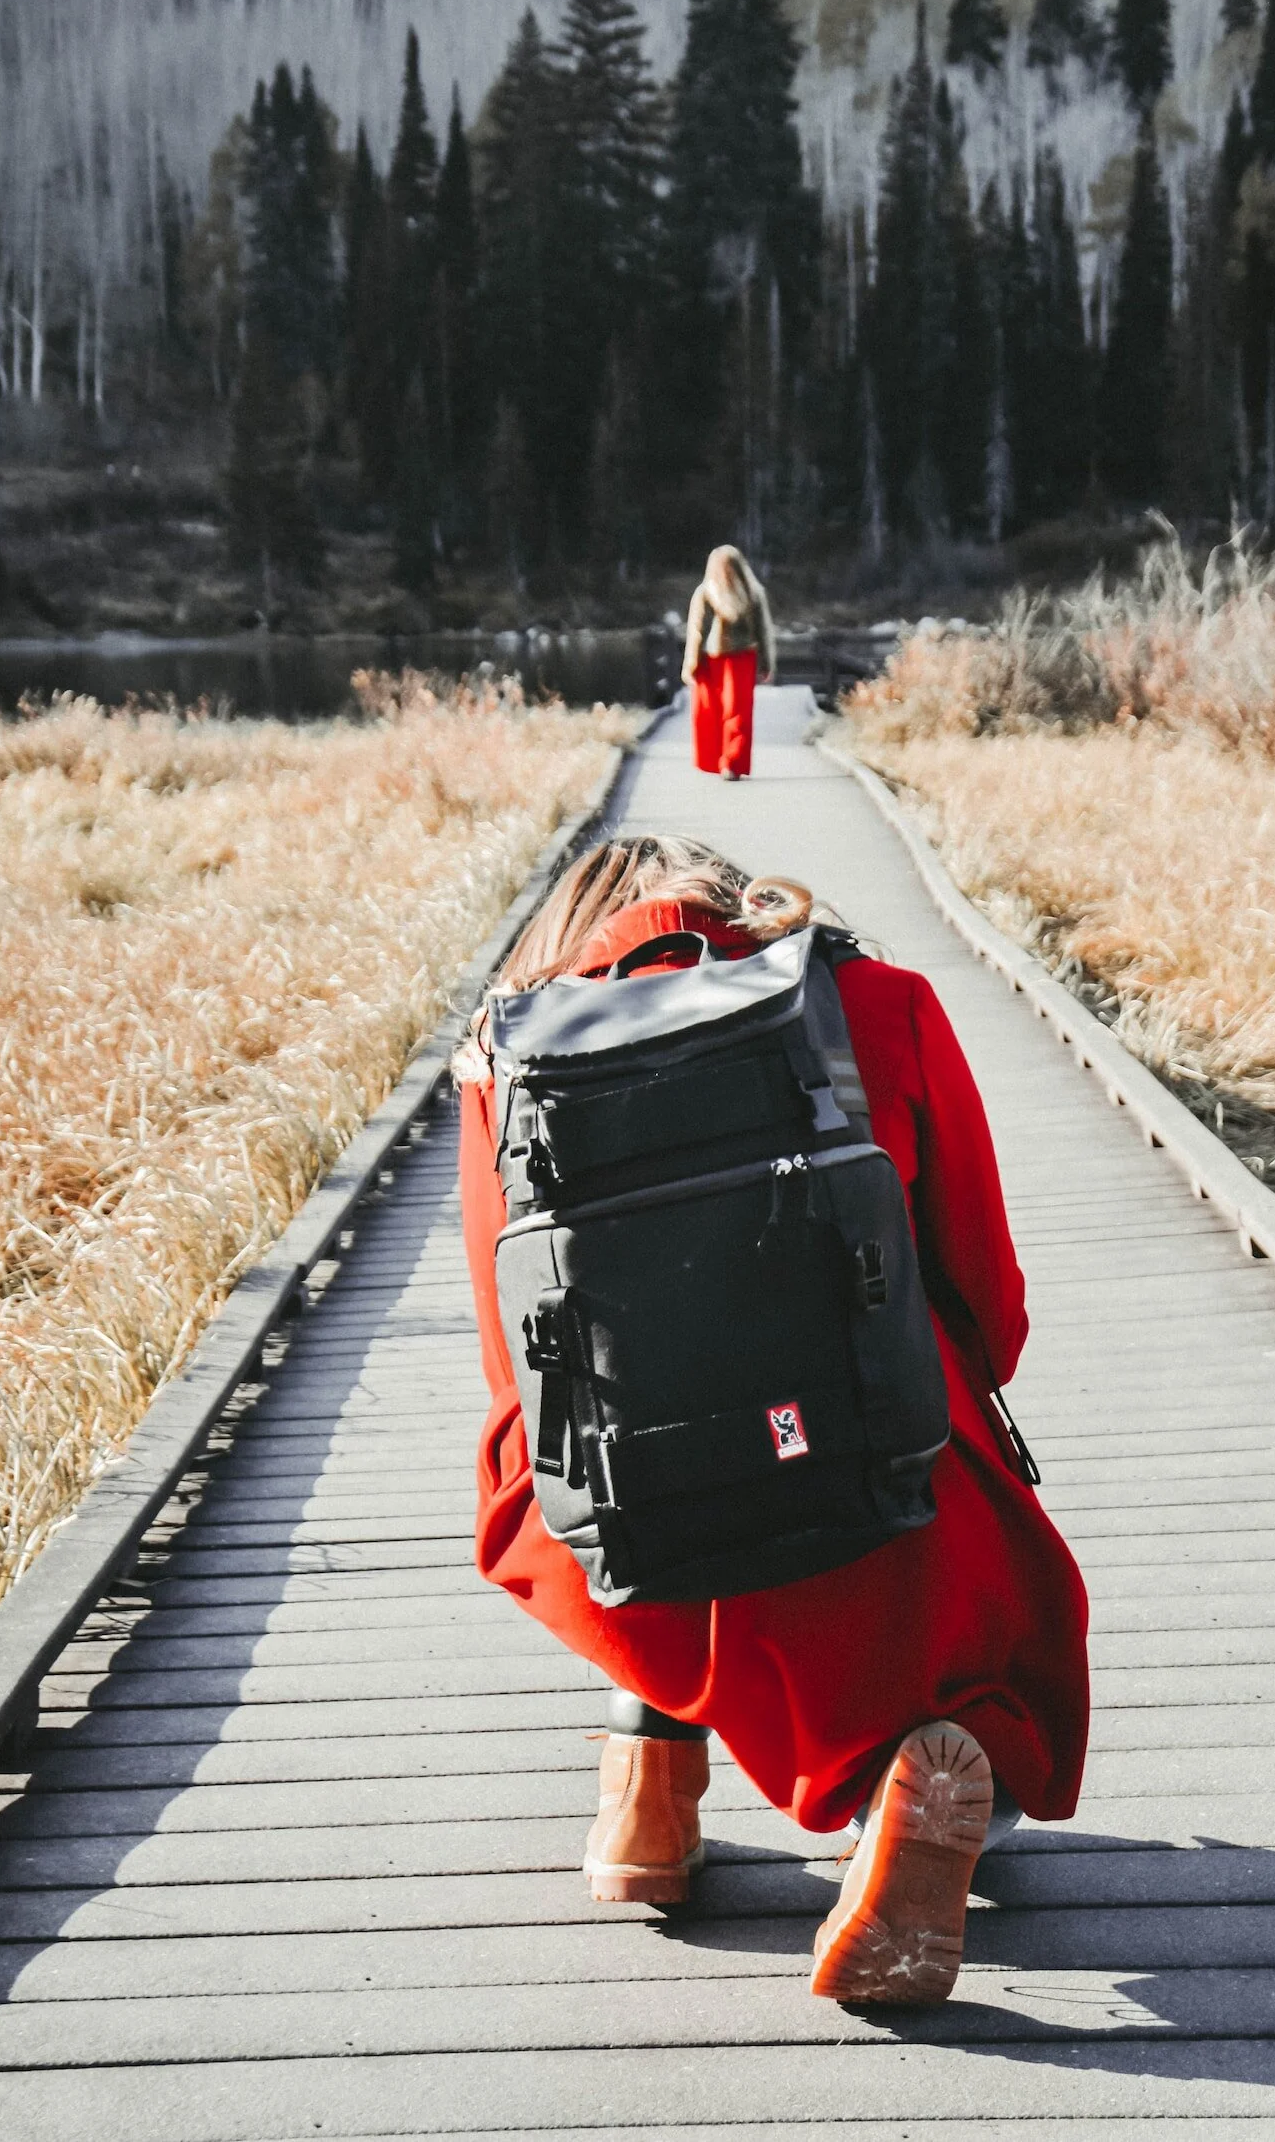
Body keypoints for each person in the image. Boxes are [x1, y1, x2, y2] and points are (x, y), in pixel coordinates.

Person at [456, 835, 1089, 2007]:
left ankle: (643, 1803)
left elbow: (515, 1371)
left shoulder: (508, 1052)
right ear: (740, 906)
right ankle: (901, 1783)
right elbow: (982, 1293)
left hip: (635, 1524)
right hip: (871, 1475)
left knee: (572, 1489)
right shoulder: (876, 1003)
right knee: (986, 1701)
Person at [682, 544, 776, 779]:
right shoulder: (743, 593)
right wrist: (766, 663)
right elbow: (697, 629)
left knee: (725, 711)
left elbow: (697, 630)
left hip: (727, 659)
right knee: (726, 712)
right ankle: (726, 762)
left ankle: (727, 761)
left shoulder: (745, 593)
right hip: (728, 659)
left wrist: (691, 664)